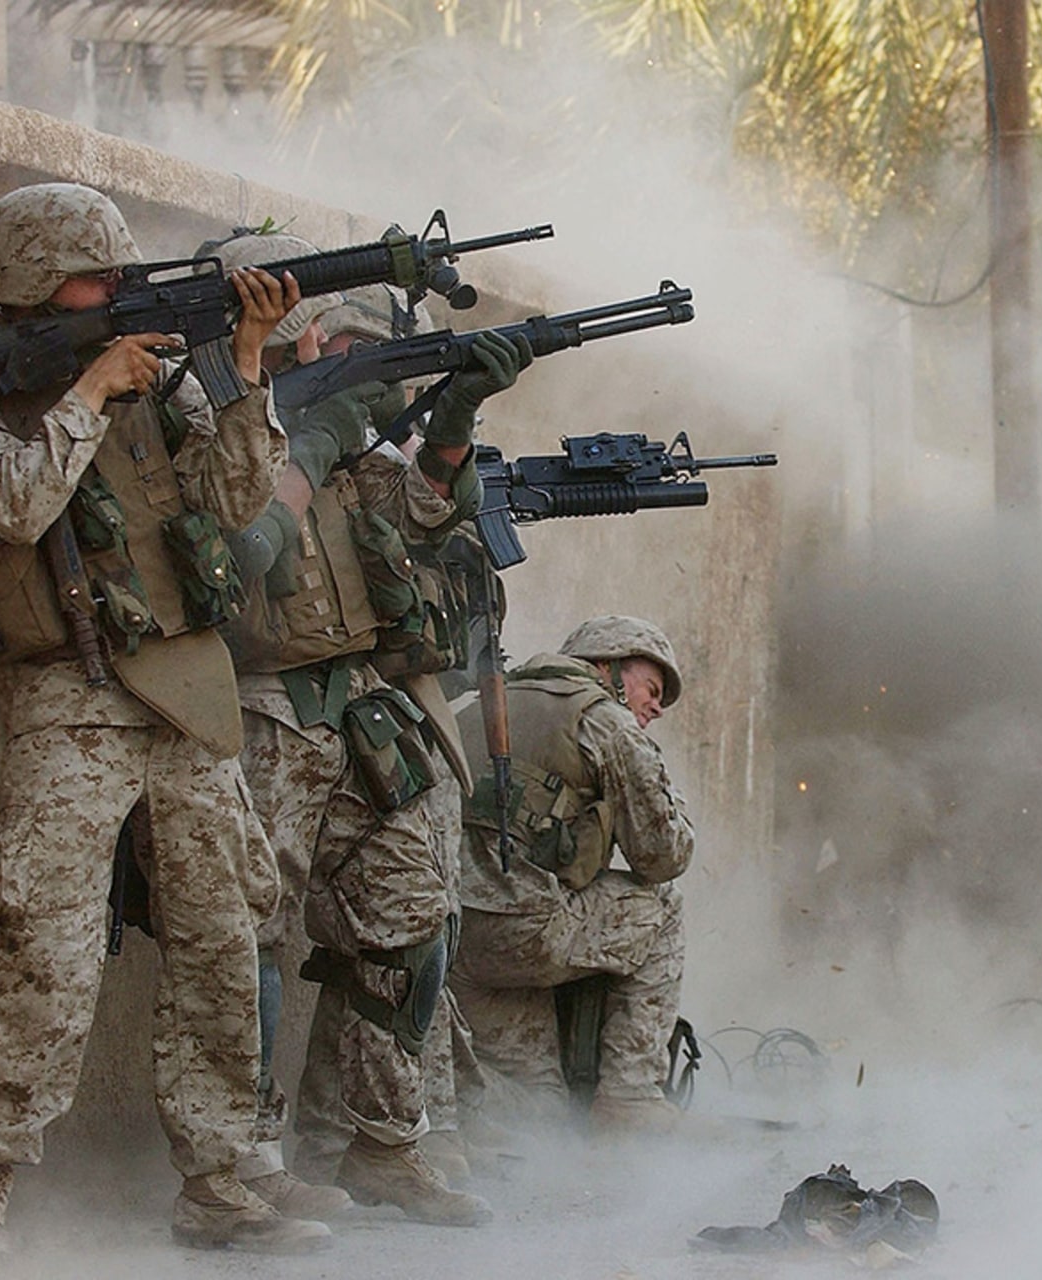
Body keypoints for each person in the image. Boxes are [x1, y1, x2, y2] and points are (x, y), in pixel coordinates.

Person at [0, 183, 327, 1255]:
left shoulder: (156, 379)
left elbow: (232, 499)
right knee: (43, 940)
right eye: (94, 275)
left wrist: (243, 364)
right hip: (72, 699)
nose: (117, 289)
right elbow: (12, 505)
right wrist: (87, 392)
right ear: (29, 282)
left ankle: (220, 1179)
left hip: (186, 686)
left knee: (220, 934)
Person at [209, 231, 529, 1225]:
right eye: (332, 347)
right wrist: (312, 433)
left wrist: (457, 412)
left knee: (412, 912)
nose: (350, 366)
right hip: (266, 709)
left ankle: (386, 1142)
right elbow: (235, 541)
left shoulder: (347, 447)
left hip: (356, 710)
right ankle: (244, 1159)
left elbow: (432, 508)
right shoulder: (232, 432)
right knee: (247, 938)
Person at [448, 615, 696, 1132]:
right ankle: (631, 1099)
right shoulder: (606, 721)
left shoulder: (480, 704)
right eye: (650, 689)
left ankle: (438, 1107)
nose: (654, 706)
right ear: (605, 666)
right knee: (664, 906)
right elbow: (660, 855)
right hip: (529, 932)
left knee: (540, 1112)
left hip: (455, 941)